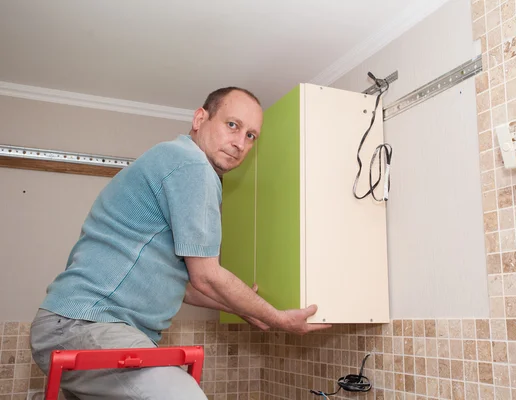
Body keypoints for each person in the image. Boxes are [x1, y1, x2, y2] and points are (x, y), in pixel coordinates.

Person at [29, 87, 331, 400]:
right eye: (233, 125)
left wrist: (239, 306)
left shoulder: (173, 159)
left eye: (251, 135)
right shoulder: (192, 165)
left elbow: (183, 285)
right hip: (87, 325)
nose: (241, 143)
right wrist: (279, 319)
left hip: (75, 327)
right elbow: (207, 276)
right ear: (201, 118)